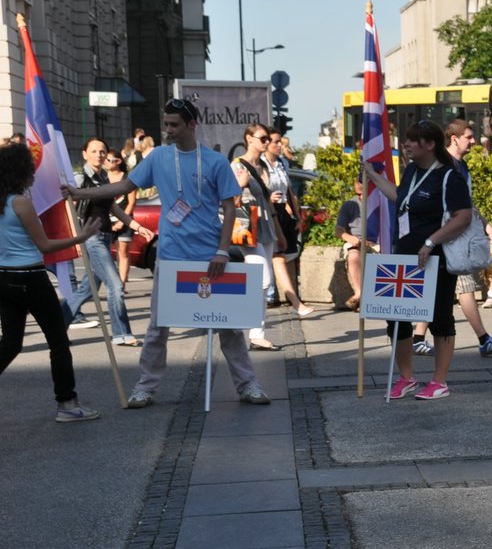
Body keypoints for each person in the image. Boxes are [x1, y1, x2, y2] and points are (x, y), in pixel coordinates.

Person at [65, 98, 271, 409]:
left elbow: (230, 207)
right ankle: (146, 387)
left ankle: (248, 385)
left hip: (210, 258)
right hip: (172, 258)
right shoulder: (160, 156)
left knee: (228, 326)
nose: (169, 130)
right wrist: (81, 193)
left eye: (175, 124)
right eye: (167, 124)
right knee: (158, 325)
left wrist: (221, 251)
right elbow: (122, 188)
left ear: (192, 124)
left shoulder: (214, 161)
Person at [366, 119, 472, 401]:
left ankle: (439, 381)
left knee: (439, 318)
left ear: (430, 144)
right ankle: (406, 378)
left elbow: (464, 217)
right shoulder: (412, 170)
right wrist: (373, 177)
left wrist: (431, 241)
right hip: (405, 256)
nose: (406, 145)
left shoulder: (450, 176)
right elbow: (400, 197)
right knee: (396, 318)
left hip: (435, 257)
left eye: (412, 140)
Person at [0, 141, 103, 422]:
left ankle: (68, 403)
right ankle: (67, 404)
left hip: (4, 279)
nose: (34, 174)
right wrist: (81, 237)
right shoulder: (21, 202)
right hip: (31, 278)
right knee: (58, 340)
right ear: (19, 171)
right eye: (30, 169)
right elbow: (44, 245)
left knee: (10, 343)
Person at [414, 119, 492, 358]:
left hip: (451, 236)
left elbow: (465, 202)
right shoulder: (444, 165)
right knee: (465, 285)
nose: (474, 140)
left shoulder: (460, 165)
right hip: (449, 237)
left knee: (441, 289)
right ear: (454, 138)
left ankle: (417, 338)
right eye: (469, 136)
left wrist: (485, 224)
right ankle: (483, 339)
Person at [62, 138, 146, 346]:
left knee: (86, 289)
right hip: (91, 238)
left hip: (106, 236)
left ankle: (55, 328)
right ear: (85, 154)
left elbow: (113, 208)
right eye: (94, 151)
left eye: (102, 152)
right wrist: (76, 239)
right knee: (115, 285)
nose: (99, 155)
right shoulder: (80, 179)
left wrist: (136, 226)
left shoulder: (104, 178)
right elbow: (67, 208)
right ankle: (121, 334)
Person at [231, 123, 295, 351]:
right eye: (263, 138)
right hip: (249, 228)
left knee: (259, 281)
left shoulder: (264, 167)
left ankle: (254, 333)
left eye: (268, 138)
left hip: (266, 225)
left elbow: (269, 204)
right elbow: (231, 203)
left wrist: (279, 232)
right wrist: (239, 187)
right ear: (249, 139)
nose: (267, 142)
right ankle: (248, 328)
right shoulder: (238, 165)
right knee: (263, 280)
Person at [264, 131, 311, 317]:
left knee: (280, 256)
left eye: (280, 142)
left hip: (282, 213)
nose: (279, 146)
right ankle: (294, 302)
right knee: (277, 257)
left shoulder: (282, 163)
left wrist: (298, 216)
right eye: (275, 142)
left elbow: (290, 191)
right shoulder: (260, 164)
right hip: (266, 214)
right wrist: (268, 197)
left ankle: (271, 297)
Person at [333, 180, 372, 310]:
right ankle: (359, 293)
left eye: (364, 193)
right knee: (353, 256)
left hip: (376, 242)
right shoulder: (350, 204)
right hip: (357, 242)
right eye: (357, 194)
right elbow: (338, 230)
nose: (360, 197)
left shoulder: (380, 203)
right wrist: (348, 237)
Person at [102, 150, 137, 284]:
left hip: (124, 218)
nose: (106, 162)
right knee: (106, 253)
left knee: (123, 251)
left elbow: (132, 202)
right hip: (107, 220)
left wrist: (122, 222)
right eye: (105, 159)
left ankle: (121, 283)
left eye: (109, 160)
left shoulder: (127, 179)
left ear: (118, 161)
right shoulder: (102, 178)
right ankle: (113, 281)